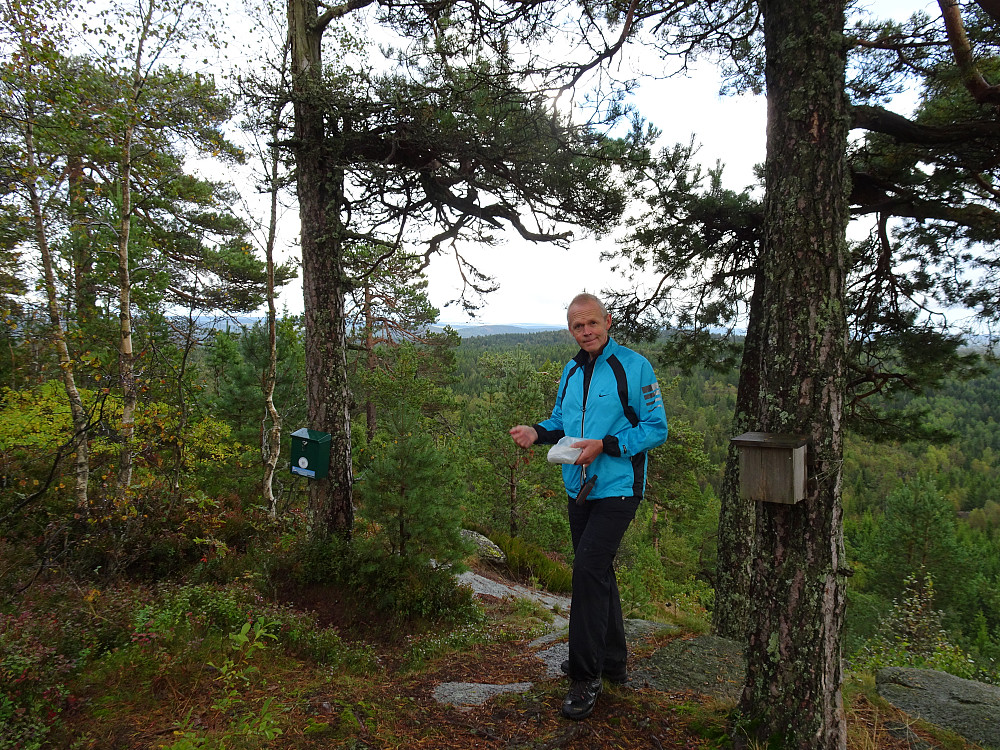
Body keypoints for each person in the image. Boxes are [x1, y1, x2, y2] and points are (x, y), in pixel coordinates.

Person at [509, 293, 668, 720]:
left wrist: (607, 445)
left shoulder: (634, 367)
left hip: (617, 487)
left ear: (608, 321)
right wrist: (536, 432)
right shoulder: (572, 368)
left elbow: (656, 429)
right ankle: (613, 661)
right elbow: (562, 419)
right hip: (576, 486)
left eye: (592, 323)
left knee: (585, 571)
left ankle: (585, 677)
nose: (587, 332)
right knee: (598, 571)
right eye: (578, 327)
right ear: (571, 331)